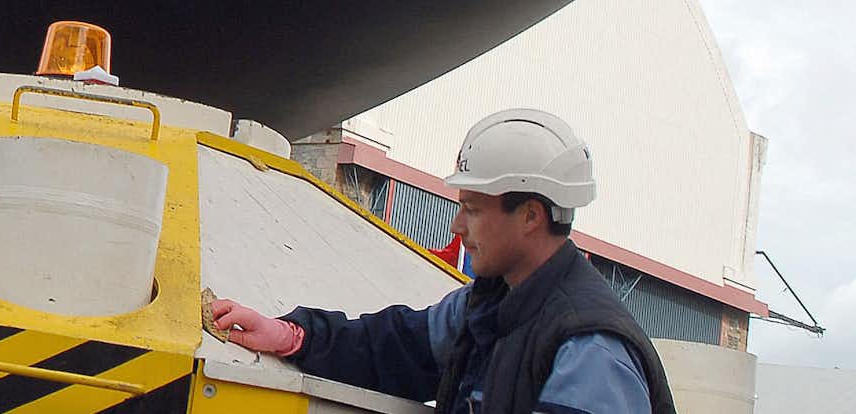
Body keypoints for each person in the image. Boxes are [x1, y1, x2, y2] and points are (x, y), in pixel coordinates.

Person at [208, 109, 678, 414]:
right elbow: (394, 348)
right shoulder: (488, 305)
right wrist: (292, 336)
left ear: (531, 215)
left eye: (473, 208)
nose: (456, 226)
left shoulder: (591, 350)